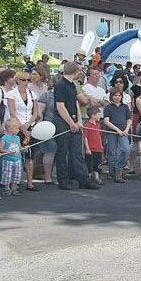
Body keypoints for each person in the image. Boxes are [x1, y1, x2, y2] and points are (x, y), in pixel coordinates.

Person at [54, 61, 99, 190]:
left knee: (77, 152)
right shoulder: (60, 85)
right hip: (63, 121)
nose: (80, 73)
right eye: (79, 70)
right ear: (74, 71)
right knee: (63, 151)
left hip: (74, 120)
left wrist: (79, 121)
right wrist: (71, 123)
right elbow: (60, 106)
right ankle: (63, 180)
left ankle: (82, 178)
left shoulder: (73, 85)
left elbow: (76, 104)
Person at [6, 71, 40, 191]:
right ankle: (13, 181)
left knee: (30, 156)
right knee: (15, 155)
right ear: (18, 81)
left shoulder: (32, 93)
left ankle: (30, 183)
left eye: (28, 80)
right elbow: (12, 112)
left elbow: (35, 112)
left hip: (29, 125)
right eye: (24, 80)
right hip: (16, 127)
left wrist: (29, 124)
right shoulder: (11, 94)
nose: (26, 82)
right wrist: (22, 127)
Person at [0, 119, 24, 196]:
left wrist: (23, 149)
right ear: (10, 129)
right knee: (7, 174)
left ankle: (14, 188)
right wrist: (7, 151)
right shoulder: (4, 138)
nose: (18, 130)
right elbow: (0, 149)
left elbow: (19, 147)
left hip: (17, 159)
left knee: (16, 174)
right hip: (8, 160)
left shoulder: (17, 138)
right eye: (17, 128)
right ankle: (7, 188)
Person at [83, 108, 105, 185]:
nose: (100, 116)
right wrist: (87, 148)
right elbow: (85, 137)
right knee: (89, 164)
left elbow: (99, 136)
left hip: (98, 148)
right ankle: (89, 177)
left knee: (97, 164)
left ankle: (96, 177)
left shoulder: (98, 125)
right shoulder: (87, 125)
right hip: (91, 148)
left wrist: (101, 145)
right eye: (98, 114)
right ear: (93, 115)